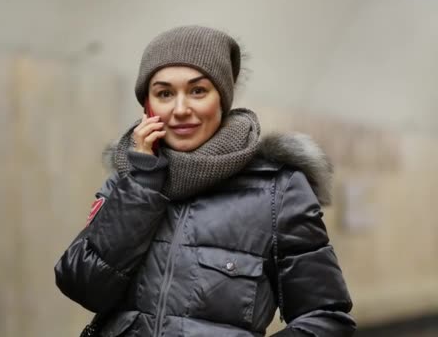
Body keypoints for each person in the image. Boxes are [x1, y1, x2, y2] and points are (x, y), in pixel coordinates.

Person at [55, 25, 355, 337]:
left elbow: (327, 317)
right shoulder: (129, 181)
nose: (180, 109)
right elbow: (83, 287)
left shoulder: (278, 191)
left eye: (198, 91)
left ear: (221, 99)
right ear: (148, 106)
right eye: (164, 93)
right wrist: (142, 184)